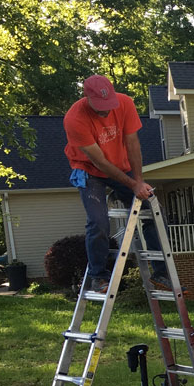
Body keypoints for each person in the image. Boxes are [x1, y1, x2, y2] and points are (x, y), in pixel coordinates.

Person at [63, 74, 170, 293]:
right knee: (98, 221)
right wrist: (132, 185)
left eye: (108, 104)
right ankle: (99, 276)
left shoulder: (125, 103)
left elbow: (133, 145)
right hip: (90, 170)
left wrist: (139, 182)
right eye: (100, 106)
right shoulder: (75, 119)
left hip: (120, 166)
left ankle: (161, 274)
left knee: (152, 208)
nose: (106, 110)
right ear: (87, 97)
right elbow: (99, 162)